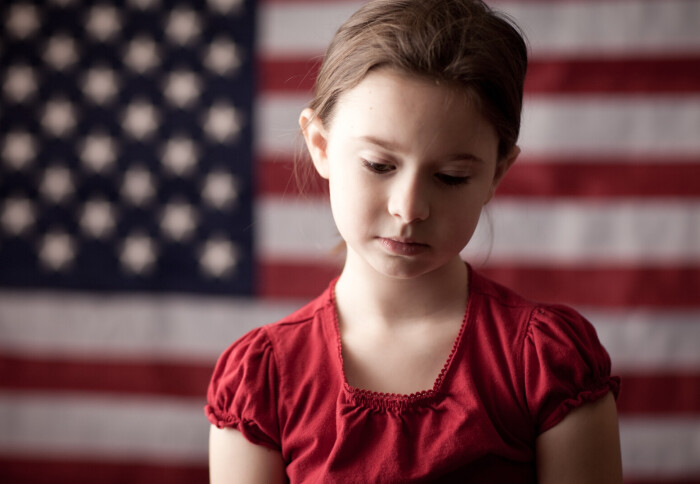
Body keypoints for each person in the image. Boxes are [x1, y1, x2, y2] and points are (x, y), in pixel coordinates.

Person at [205, 0, 623, 482]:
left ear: (497, 173)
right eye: (380, 166)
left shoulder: (545, 361)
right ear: (319, 145)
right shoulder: (264, 379)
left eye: (450, 176)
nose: (409, 209)